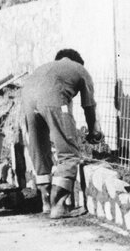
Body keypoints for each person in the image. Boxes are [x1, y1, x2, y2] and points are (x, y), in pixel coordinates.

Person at [15, 49, 103, 220]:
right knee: (69, 153)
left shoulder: (46, 68)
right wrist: (93, 131)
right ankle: (60, 206)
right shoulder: (79, 68)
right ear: (77, 61)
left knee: (39, 150)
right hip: (51, 98)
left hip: (27, 101)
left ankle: (46, 203)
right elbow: (89, 106)